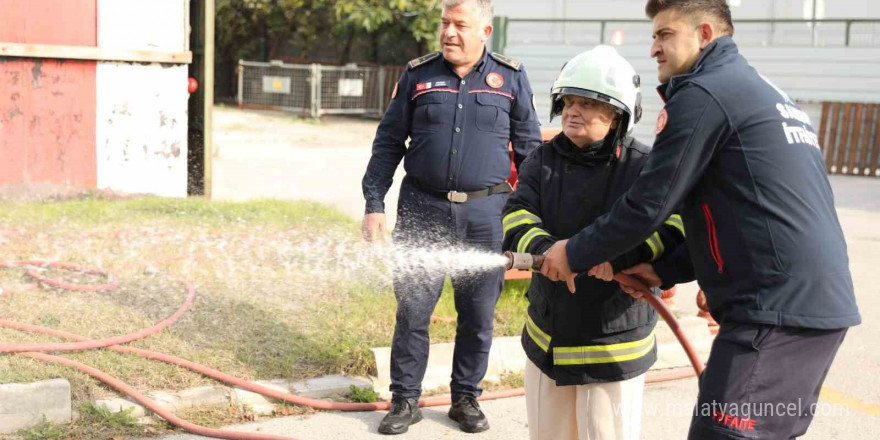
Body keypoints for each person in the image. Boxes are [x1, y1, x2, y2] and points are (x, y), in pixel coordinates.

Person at [539, 1, 861, 439]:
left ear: (705, 33)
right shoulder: (756, 89)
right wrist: (663, 268)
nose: (653, 48)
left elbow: (648, 205)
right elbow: (735, 211)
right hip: (809, 309)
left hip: (773, 313)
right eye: (653, 35)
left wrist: (572, 252)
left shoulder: (704, 92)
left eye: (665, 34)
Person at [360, 0, 542, 434]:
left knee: (478, 315)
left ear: (485, 31)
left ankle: (466, 398)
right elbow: (388, 143)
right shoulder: (418, 74)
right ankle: (404, 400)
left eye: (460, 24)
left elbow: (531, 151)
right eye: (445, 23)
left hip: (487, 214)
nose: (449, 32)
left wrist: (532, 218)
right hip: (423, 209)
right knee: (413, 311)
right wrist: (373, 204)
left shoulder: (511, 77)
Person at [502, 45, 685, 440]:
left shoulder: (644, 167)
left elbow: (673, 227)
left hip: (612, 346)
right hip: (547, 337)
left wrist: (621, 256)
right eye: (568, 101)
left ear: (617, 114)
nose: (572, 111)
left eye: (587, 103)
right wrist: (548, 251)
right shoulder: (542, 160)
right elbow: (517, 214)